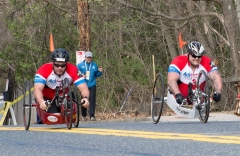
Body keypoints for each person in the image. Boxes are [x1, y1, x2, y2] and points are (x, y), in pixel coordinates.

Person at [34, 48, 90, 123]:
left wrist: (85, 98)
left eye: (63, 65)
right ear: (53, 62)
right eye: (57, 65)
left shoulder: (73, 70)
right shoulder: (43, 70)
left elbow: (83, 87)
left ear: (66, 63)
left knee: (68, 117)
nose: (60, 68)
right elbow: (37, 89)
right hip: (48, 98)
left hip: (65, 96)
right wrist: (41, 101)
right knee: (53, 119)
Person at [167, 41, 222, 105]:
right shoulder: (178, 61)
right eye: (194, 55)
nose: (196, 58)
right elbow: (171, 80)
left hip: (198, 97)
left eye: (199, 56)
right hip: (179, 95)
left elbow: (216, 77)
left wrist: (218, 92)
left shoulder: (207, 61)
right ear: (189, 54)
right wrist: (177, 94)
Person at [77, 51, 102, 121]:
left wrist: (100, 72)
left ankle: (92, 115)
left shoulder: (94, 65)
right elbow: (76, 73)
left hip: (92, 84)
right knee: (84, 100)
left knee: (92, 100)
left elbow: (97, 74)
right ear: (85, 57)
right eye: (88, 57)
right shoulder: (80, 65)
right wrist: (81, 76)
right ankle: (84, 115)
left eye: (90, 57)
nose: (89, 59)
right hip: (83, 85)